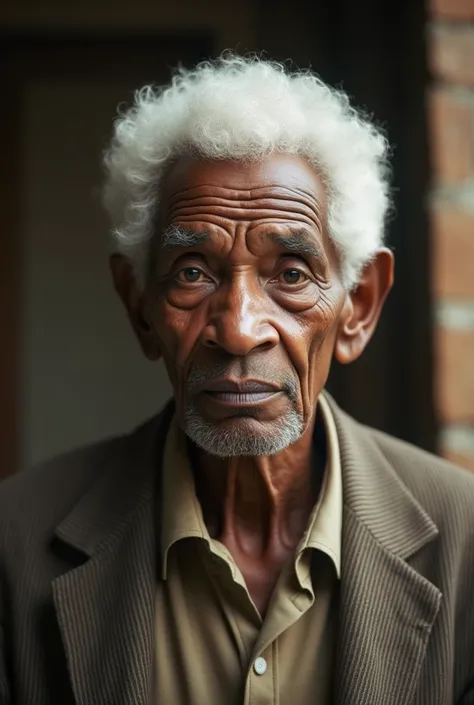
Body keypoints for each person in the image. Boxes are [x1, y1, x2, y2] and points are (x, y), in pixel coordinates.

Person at [1, 54, 474, 705]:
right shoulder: (15, 542)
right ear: (139, 304)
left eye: (290, 273)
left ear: (359, 306)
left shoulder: (465, 540)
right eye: (193, 270)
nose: (240, 328)